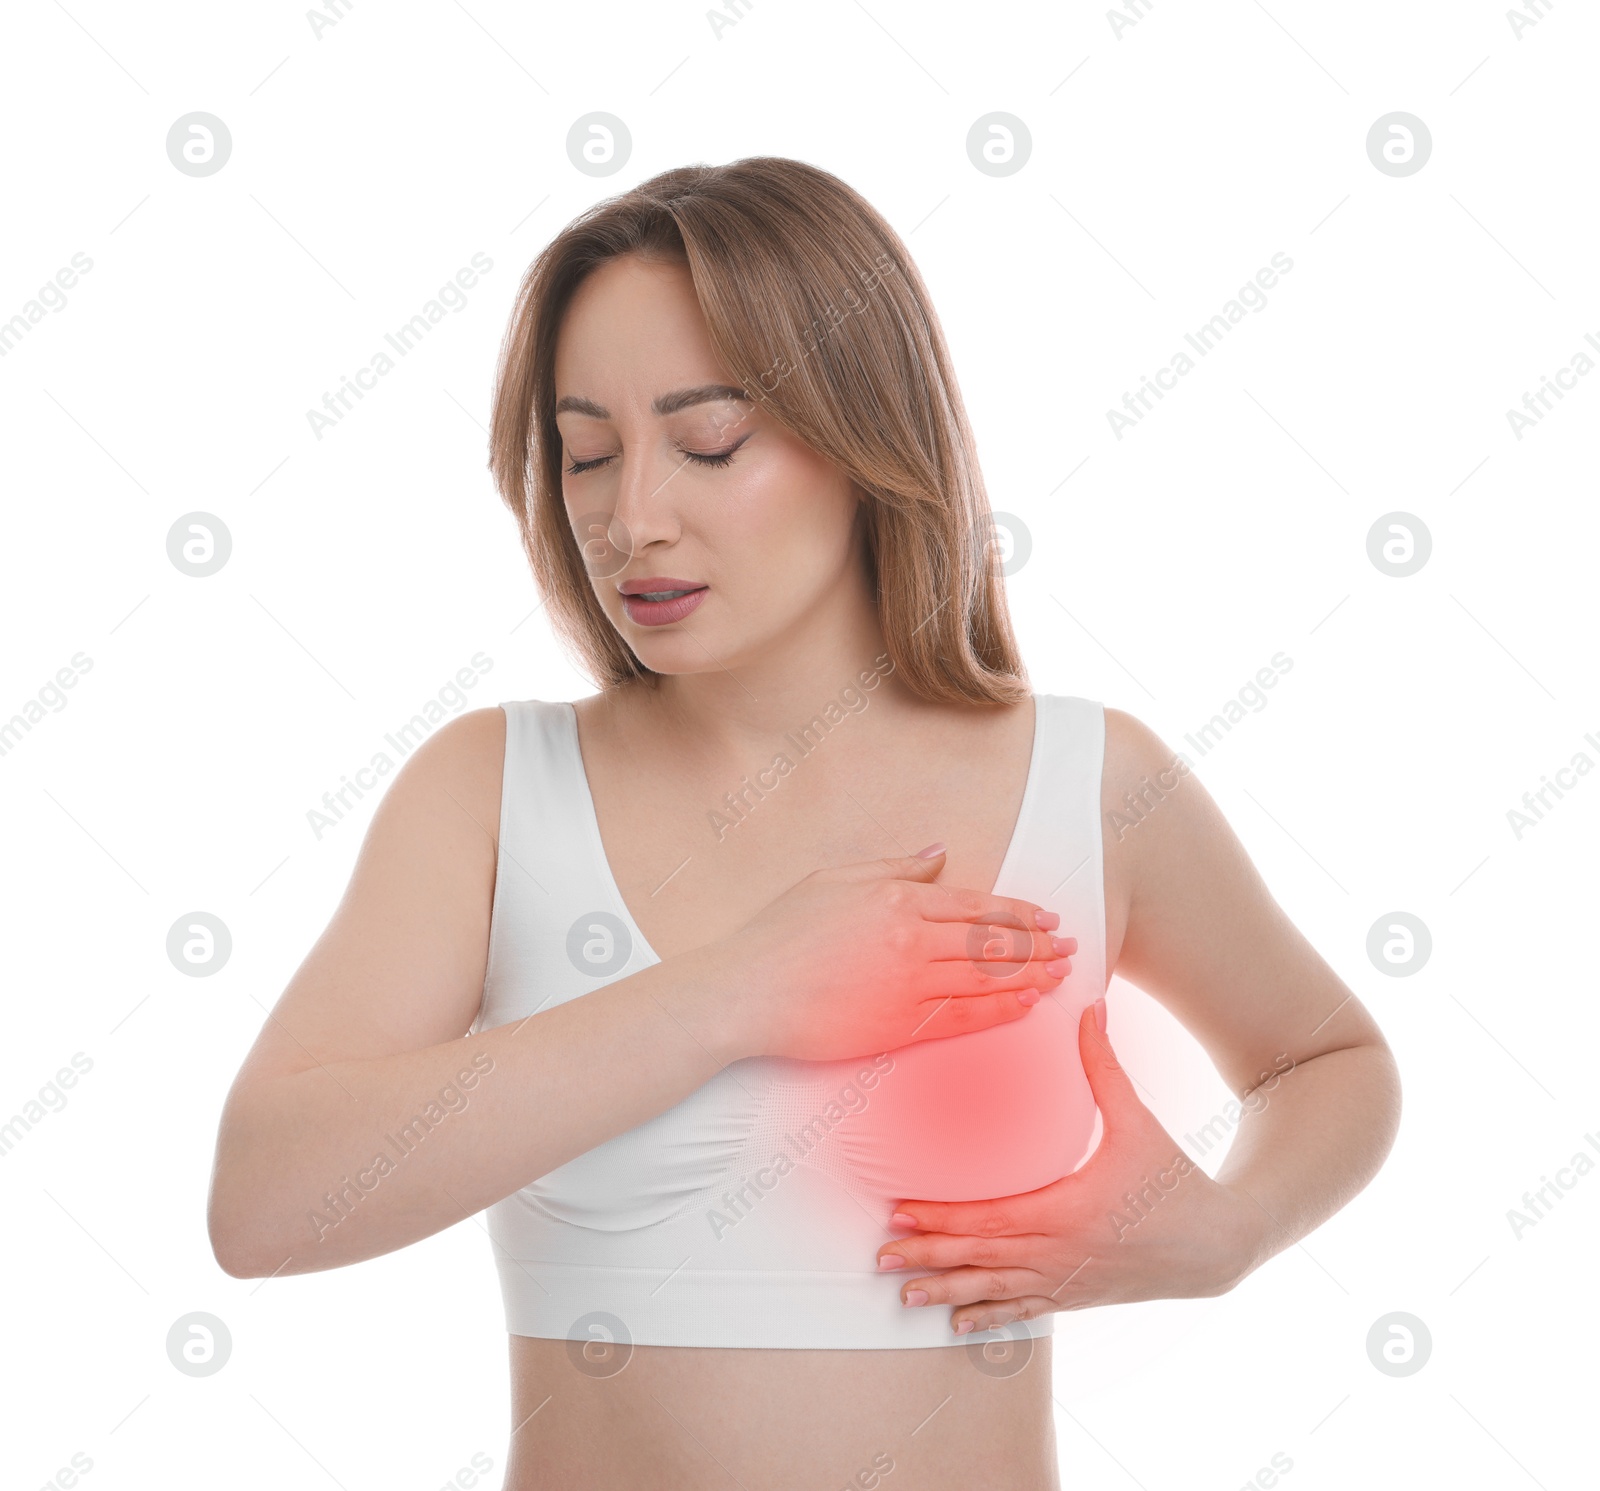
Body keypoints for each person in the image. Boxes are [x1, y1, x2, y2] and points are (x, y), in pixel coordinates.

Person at [207, 157, 1401, 1491]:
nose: (628, 518)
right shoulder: (494, 791)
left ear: (866, 438)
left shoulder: (1089, 781)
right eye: (587, 453)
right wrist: (740, 992)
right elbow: (263, 1202)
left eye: (708, 443)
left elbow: (1329, 1057)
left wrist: (1233, 1229)